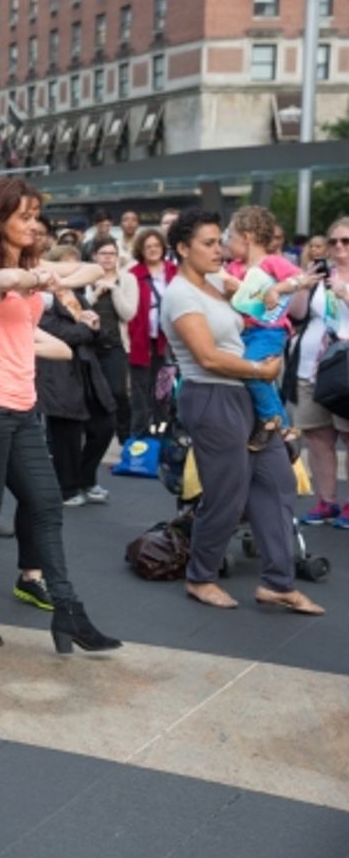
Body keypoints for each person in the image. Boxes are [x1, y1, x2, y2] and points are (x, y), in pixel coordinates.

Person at [0, 177, 122, 654]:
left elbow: (90, 269)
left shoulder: (33, 267)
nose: (34, 225)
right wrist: (33, 277)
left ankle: (68, 612)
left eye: (35, 216)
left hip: (24, 408)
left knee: (46, 505)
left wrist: (46, 272)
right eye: (24, 217)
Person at [160, 209, 324, 615]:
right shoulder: (180, 294)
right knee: (228, 494)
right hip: (212, 396)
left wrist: (285, 286)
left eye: (220, 241)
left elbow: (266, 300)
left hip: (248, 395)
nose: (219, 250)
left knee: (278, 482)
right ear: (182, 248)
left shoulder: (218, 280)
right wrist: (259, 369)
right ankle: (200, 577)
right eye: (208, 243)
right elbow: (209, 357)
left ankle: (278, 583)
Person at [224, 205, 317, 449]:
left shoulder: (272, 262)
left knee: (252, 370)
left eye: (230, 237)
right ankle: (270, 423)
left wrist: (276, 289)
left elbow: (303, 279)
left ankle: (278, 423)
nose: (226, 243)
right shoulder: (233, 267)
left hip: (269, 331)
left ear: (247, 237)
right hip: (242, 332)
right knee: (255, 378)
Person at [38, 246, 118, 507]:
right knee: (66, 435)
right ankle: (68, 488)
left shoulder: (77, 295)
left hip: (87, 368)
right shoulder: (41, 298)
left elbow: (97, 333)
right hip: (58, 371)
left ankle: (86, 478)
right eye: (67, 267)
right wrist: (86, 328)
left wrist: (93, 326)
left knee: (104, 425)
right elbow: (58, 332)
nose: (73, 274)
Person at [288, 218, 349, 525]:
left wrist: (344, 292)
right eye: (333, 241)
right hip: (310, 367)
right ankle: (327, 501)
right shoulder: (323, 274)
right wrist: (302, 285)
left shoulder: (340, 282)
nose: (338, 247)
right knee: (316, 436)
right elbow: (297, 315)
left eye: (346, 241)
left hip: (345, 370)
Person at [85, 235, 137, 442]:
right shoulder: (85, 279)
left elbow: (128, 314)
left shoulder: (127, 279)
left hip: (115, 344)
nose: (108, 258)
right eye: (103, 254)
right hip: (90, 344)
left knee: (118, 391)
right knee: (93, 394)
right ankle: (97, 434)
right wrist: (97, 291)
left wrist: (114, 289)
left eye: (112, 254)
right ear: (94, 256)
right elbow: (79, 309)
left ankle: (124, 434)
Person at [127, 228, 177, 438]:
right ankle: (139, 440)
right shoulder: (134, 275)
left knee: (163, 393)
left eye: (156, 246)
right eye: (148, 247)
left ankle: (162, 436)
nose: (153, 250)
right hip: (141, 341)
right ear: (141, 249)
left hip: (168, 344)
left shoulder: (174, 272)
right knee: (140, 393)